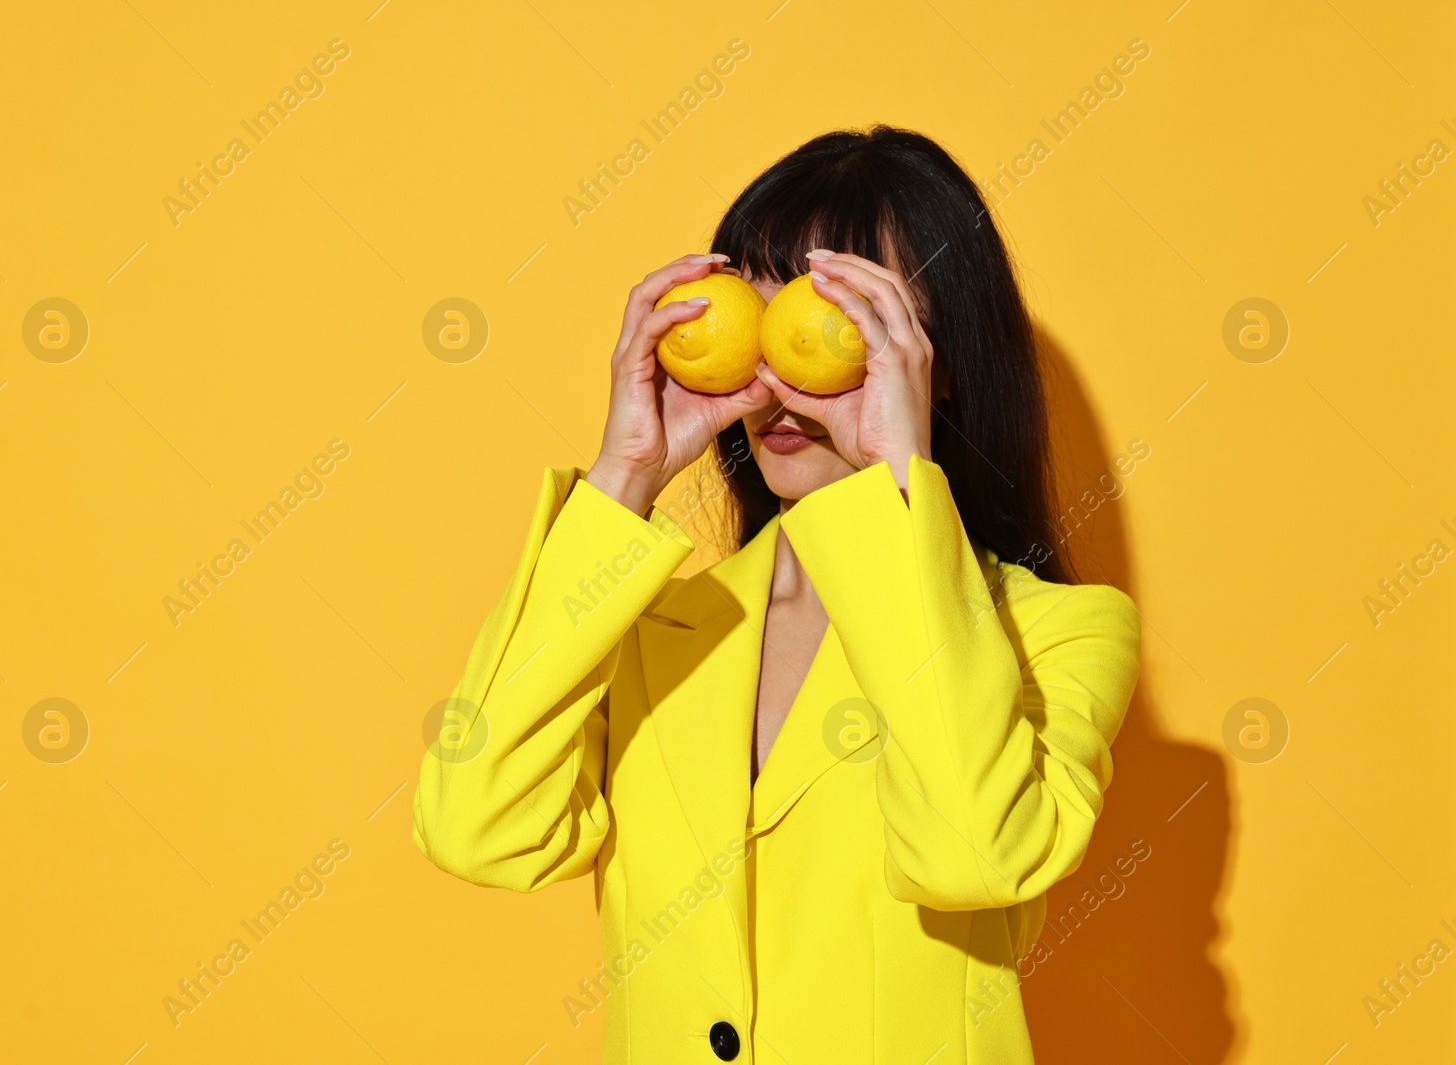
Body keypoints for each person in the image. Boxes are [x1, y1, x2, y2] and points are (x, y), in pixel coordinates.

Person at [414, 125, 1142, 1064]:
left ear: (939, 363)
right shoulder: (656, 625)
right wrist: (626, 472)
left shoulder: (1057, 634)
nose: (782, 376)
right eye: (758, 314)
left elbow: (972, 854)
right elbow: (477, 827)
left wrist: (896, 472)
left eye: (836, 315)